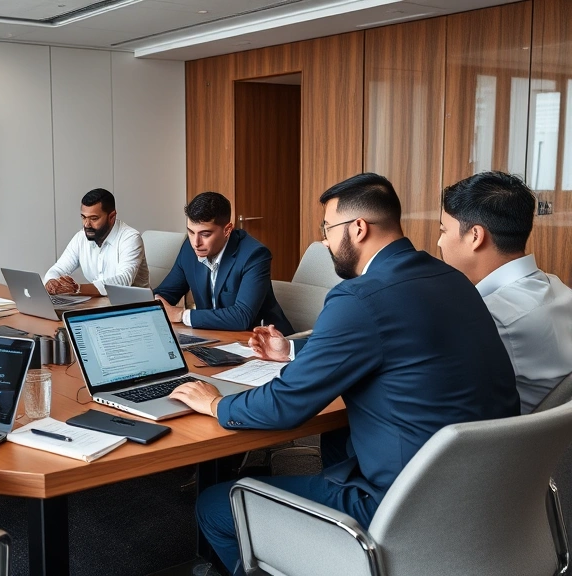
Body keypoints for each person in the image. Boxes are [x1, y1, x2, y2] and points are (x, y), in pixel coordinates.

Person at [170, 174, 520, 575]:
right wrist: (293, 351)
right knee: (338, 438)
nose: (323, 242)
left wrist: (214, 402)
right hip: (486, 495)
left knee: (215, 505)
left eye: (327, 229)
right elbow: (395, 349)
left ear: (358, 228)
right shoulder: (453, 279)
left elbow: (285, 405)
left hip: (400, 506)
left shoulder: (359, 296)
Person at [438, 171, 572, 413]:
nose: (439, 243)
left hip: (505, 443)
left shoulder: (489, 318)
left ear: (475, 236)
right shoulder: (559, 289)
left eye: (443, 230)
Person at [153, 192, 292, 332]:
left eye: (205, 234)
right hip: (212, 337)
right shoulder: (189, 250)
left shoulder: (254, 255)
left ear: (227, 230)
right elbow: (164, 294)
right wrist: (150, 301)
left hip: (259, 341)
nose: (196, 242)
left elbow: (241, 317)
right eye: (191, 232)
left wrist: (182, 315)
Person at [44, 188, 149, 296]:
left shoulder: (130, 238)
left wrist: (76, 288)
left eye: (93, 218)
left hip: (133, 306)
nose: (86, 224)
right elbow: (58, 269)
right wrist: (52, 282)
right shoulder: (81, 237)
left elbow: (123, 281)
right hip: (98, 303)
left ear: (112, 217)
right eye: (83, 217)